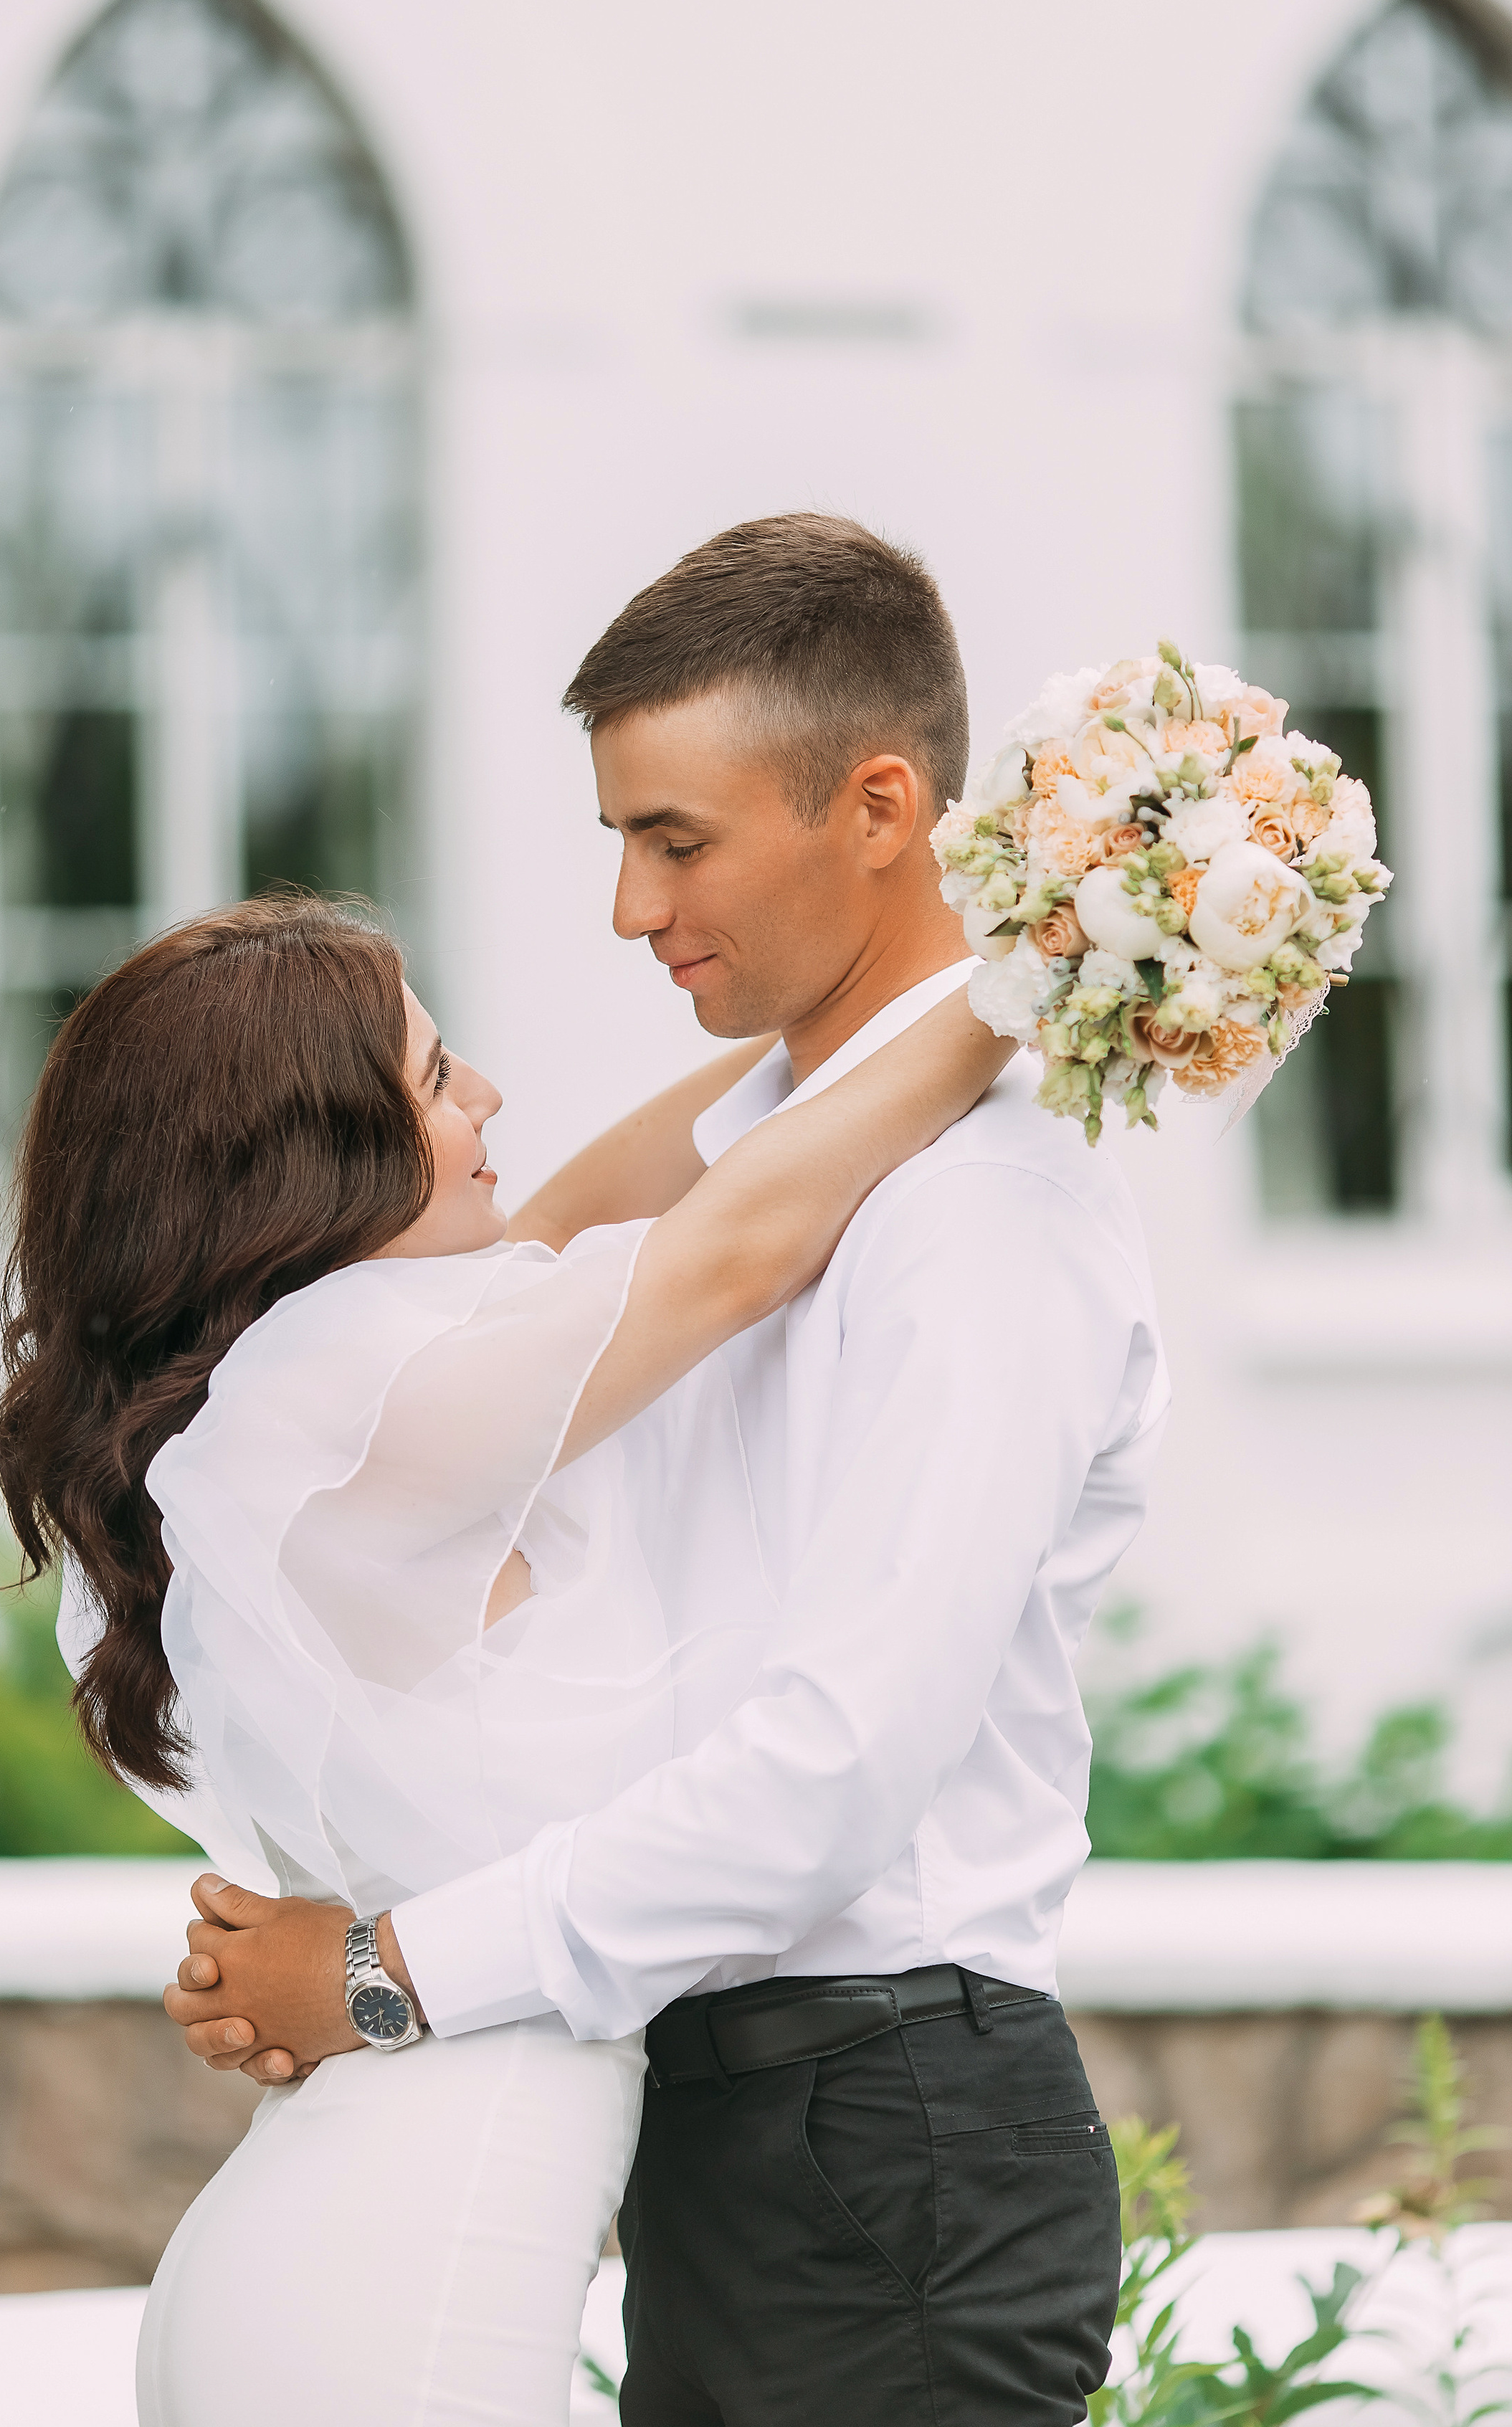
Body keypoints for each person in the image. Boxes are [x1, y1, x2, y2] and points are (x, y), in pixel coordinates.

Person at [164, 514, 1171, 2426]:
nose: (631, 908)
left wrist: (382, 1970)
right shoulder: (764, 1175)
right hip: (746, 2123)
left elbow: (833, 1772)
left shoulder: (983, 1219)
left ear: (879, 807)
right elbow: (618, 1238)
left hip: (892, 2130)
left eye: (676, 839)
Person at [0, 866, 1014, 2424]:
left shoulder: (332, 1390)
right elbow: (735, 1244)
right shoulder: (343, 1401)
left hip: (352, 2215)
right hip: (414, 2243)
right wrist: (1038, 984)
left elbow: (617, 1190)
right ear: (312, 1162)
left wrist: (885, 990)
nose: (487, 1091)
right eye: (430, 1074)